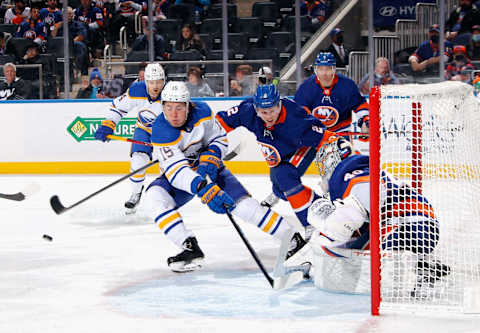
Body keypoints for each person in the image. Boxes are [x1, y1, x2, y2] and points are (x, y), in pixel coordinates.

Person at [145, 81, 305, 272]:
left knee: (244, 207)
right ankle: (189, 247)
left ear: (188, 105)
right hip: (186, 176)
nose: (174, 113)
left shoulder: (202, 112)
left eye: (179, 107)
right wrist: (202, 187)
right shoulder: (161, 131)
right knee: (155, 196)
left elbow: (219, 138)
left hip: (211, 169)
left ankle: (292, 238)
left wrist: (212, 154)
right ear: (162, 106)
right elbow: (176, 171)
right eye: (168, 107)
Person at [305, 136, 450, 293]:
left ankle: (422, 268)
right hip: (422, 225)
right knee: (359, 244)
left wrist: (325, 234)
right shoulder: (362, 171)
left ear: (332, 161)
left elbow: (347, 220)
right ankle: (424, 264)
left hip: (410, 227)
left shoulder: (348, 178)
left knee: (369, 255)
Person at [216, 84, 336, 241]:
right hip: (279, 153)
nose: (269, 116)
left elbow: (324, 138)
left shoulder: (295, 119)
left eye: (272, 110)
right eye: (264, 112)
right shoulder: (248, 111)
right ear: (256, 108)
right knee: (279, 185)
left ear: (279, 104)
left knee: (285, 177)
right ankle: (323, 207)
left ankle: (310, 224)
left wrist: (335, 156)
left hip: (302, 147)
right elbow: (219, 122)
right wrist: (208, 144)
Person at [94, 63, 165, 214]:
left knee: (168, 167)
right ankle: (136, 193)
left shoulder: (171, 94)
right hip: (144, 130)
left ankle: (168, 196)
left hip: (167, 135)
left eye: (159, 81)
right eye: (151, 82)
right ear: (145, 81)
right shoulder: (136, 90)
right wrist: (108, 124)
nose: (155, 86)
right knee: (138, 161)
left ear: (164, 81)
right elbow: (118, 107)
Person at [50, 6, 89, 76]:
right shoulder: (58, 25)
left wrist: (69, 43)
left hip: (73, 45)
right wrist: (56, 28)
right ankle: (54, 73)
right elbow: (52, 37)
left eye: (70, 14)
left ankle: (77, 69)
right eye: (67, 14)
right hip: (60, 47)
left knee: (80, 45)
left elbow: (81, 36)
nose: (69, 15)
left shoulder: (78, 24)